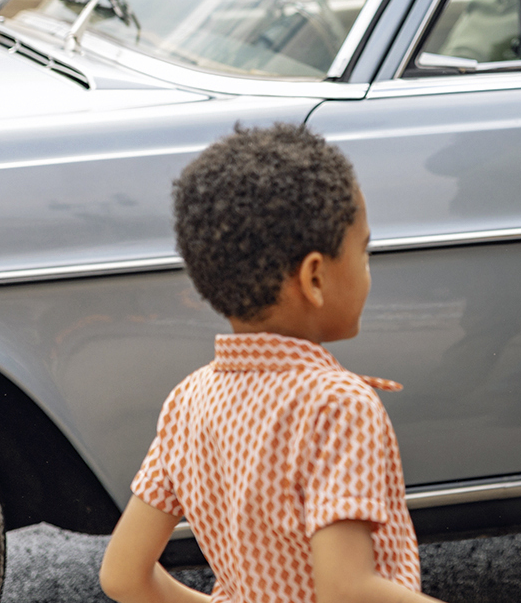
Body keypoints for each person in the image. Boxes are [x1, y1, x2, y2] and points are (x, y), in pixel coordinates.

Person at [99, 124, 440, 603]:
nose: (368, 268)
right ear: (315, 276)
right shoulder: (338, 406)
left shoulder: (188, 400)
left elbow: (123, 575)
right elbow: (347, 590)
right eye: (363, 251)